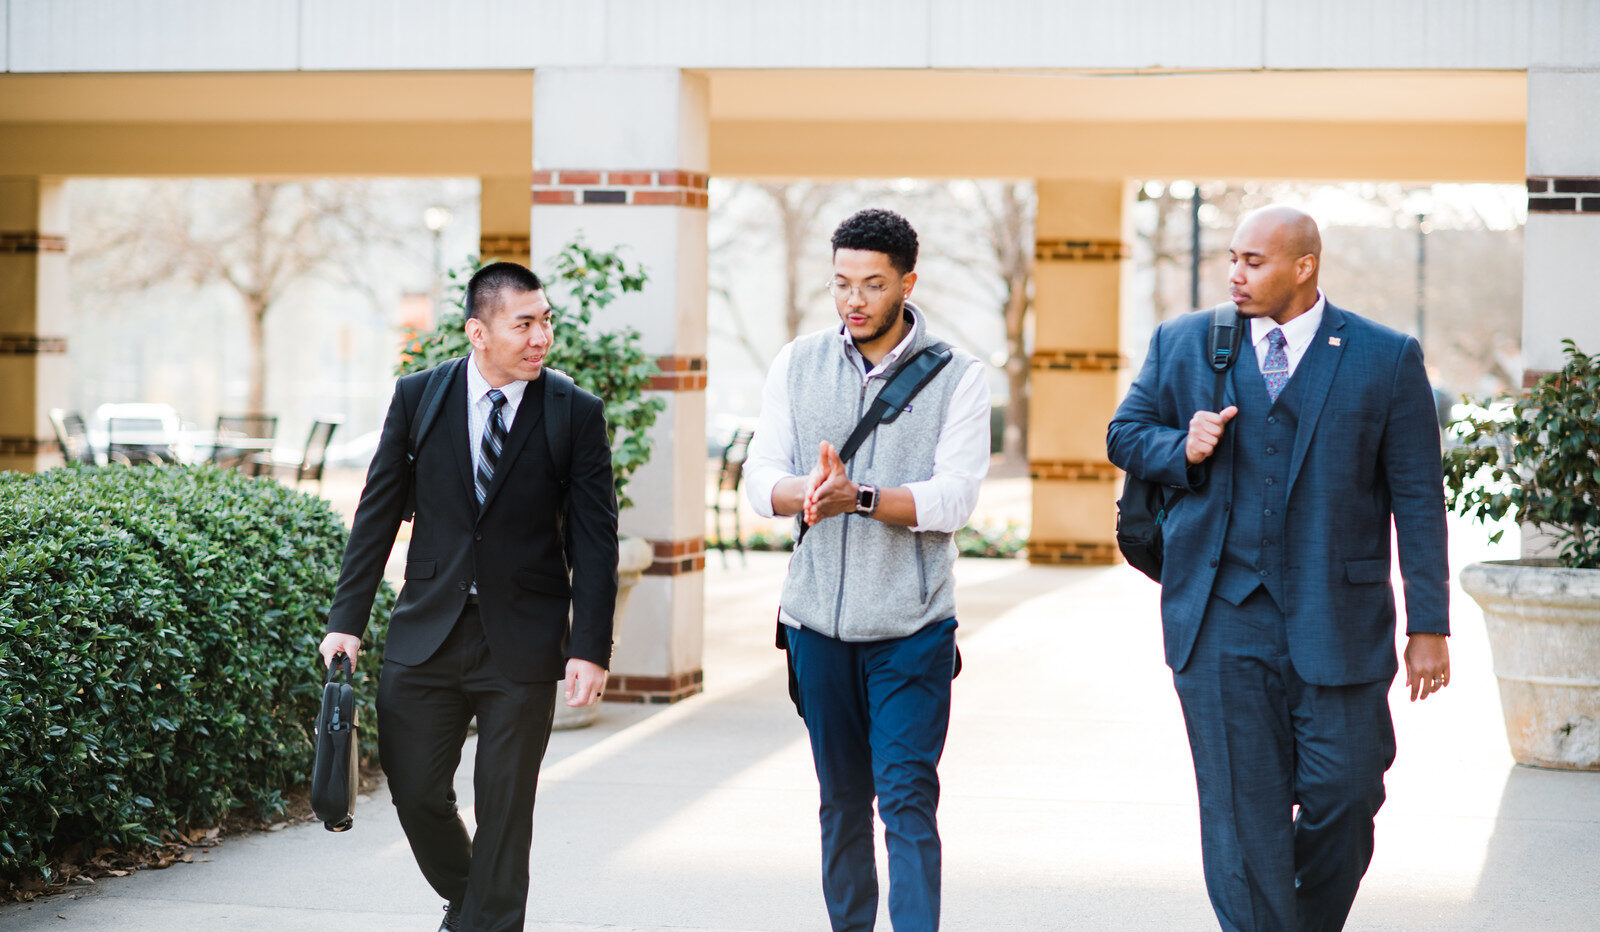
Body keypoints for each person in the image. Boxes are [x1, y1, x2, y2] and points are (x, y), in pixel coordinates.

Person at [1107, 206, 1451, 931]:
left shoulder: (1385, 357)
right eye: (1232, 258)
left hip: (1341, 619)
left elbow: (1419, 500)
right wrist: (1182, 445)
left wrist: (1430, 626)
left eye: (1254, 261)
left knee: (1348, 792)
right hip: (1219, 617)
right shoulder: (1184, 343)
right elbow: (1125, 434)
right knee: (1242, 816)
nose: (1235, 274)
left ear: (1305, 266)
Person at [318, 261, 618, 932]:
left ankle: (485, 919)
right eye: (525, 324)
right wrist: (348, 621)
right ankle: (477, 902)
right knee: (416, 790)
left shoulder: (574, 413)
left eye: (546, 322)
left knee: (506, 809)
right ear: (478, 331)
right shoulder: (419, 397)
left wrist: (588, 648)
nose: (542, 337)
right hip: (427, 631)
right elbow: (377, 514)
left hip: (524, 641)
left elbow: (597, 542)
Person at [743, 208, 991, 931]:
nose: (854, 300)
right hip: (817, 623)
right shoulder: (798, 361)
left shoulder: (959, 376)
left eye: (873, 285)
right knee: (841, 799)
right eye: (843, 283)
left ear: (908, 283)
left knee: (908, 795)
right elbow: (761, 479)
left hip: (912, 627)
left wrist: (865, 498)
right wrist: (809, 492)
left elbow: (956, 498)